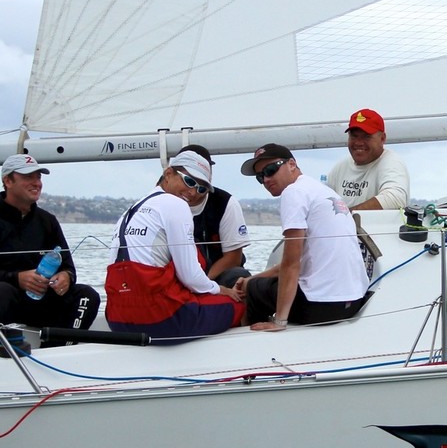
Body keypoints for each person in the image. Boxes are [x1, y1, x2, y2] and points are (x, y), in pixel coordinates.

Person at [0, 154, 100, 353]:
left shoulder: (47, 221)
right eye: (28, 177)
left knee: (87, 295)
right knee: (1, 292)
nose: (37, 183)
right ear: (8, 181)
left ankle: (57, 351)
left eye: (38, 177)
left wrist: (65, 277)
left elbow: (69, 267)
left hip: (38, 302)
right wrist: (16, 278)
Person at [104, 150, 245, 340]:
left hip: (117, 319)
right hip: (163, 317)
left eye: (202, 189)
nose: (194, 192)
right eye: (189, 181)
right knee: (240, 304)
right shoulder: (175, 205)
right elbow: (191, 276)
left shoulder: (131, 210)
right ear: (168, 174)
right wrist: (222, 290)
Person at [237, 143, 370, 330]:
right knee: (255, 283)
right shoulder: (323, 191)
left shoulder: (294, 192)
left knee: (253, 291)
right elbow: (292, 263)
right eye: (260, 177)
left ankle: (250, 342)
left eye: (271, 169)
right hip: (353, 302)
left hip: (321, 307)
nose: (266, 179)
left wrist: (280, 321)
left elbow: (292, 264)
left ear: (292, 164)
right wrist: (254, 277)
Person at [175, 144, 252, 287]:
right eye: (189, 179)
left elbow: (233, 257)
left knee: (238, 277)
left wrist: (201, 283)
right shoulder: (161, 203)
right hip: (174, 277)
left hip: (215, 276)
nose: (192, 191)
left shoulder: (225, 202)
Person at [326, 108, 410, 211]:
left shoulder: (391, 162)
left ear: (382, 138)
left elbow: (396, 198)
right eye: (354, 136)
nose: (358, 142)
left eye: (366, 137)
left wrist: (348, 217)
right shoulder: (340, 168)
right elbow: (324, 203)